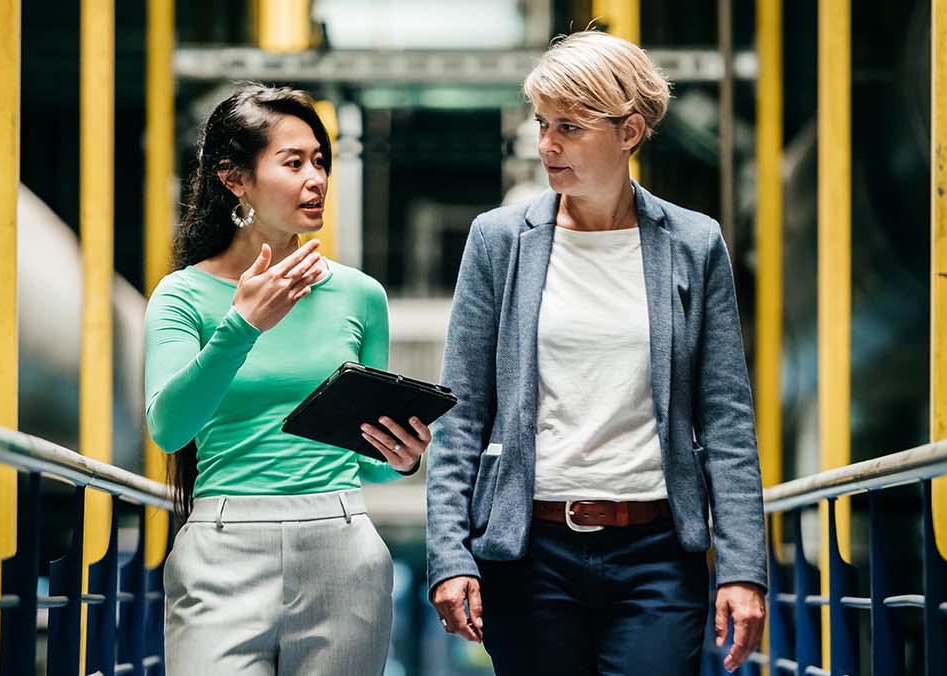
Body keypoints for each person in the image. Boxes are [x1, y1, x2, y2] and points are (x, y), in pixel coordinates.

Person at [425, 31, 767, 675]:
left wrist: (744, 568)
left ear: (629, 131)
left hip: (658, 552)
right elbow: (461, 414)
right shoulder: (499, 241)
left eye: (570, 128)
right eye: (542, 124)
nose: (546, 145)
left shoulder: (694, 243)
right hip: (530, 553)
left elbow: (726, 417)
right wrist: (450, 555)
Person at [144, 83, 431, 675]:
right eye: (293, 162)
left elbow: (372, 464)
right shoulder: (182, 295)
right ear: (235, 179)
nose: (316, 179)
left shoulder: (360, 295)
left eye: (320, 161)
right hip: (223, 546)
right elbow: (169, 429)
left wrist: (402, 457)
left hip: (342, 545)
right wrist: (242, 326)